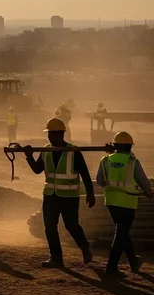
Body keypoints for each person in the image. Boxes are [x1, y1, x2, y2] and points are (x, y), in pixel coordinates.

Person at [23, 118, 94, 268]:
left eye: (51, 134)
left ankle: (85, 247)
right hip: (50, 196)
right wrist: (29, 156)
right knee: (49, 226)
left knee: (72, 225)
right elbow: (37, 170)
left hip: (69, 197)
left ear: (60, 134)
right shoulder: (46, 151)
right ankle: (56, 258)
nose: (49, 136)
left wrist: (90, 193)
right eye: (48, 134)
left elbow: (85, 174)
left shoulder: (73, 152)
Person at [96, 131, 154, 279]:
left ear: (115, 145)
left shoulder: (105, 160)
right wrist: (149, 193)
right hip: (128, 202)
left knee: (122, 232)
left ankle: (133, 261)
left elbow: (100, 181)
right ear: (129, 146)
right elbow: (143, 181)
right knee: (121, 232)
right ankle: (111, 267)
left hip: (111, 201)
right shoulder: (132, 161)